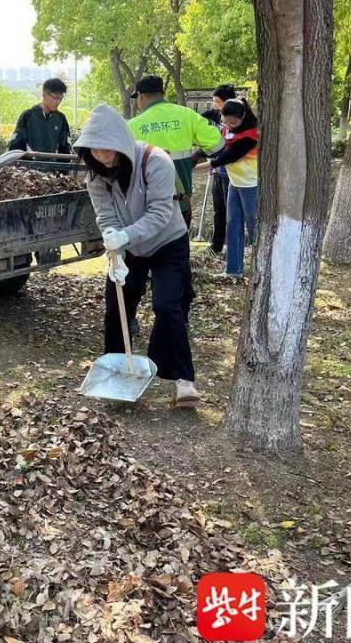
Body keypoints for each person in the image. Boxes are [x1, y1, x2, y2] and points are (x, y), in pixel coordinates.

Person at [75, 104, 200, 408]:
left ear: (120, 140)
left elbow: (160, 213)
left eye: (107, 148)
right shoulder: (95, 176)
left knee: (168, 306)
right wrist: (113, 246)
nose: (102, 156)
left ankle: (184, 380)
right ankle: (116, 375)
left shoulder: (156, 161)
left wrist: (125, 235)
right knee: (116, 307)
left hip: (168, 242)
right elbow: (106, 217)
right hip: (129, 248)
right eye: (95, 150)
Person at [127, 75, 225, 228]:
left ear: (140, 96)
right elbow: (218, 144)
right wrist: (197, 155)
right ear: (163, 94)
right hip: (180, 202)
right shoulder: (187, 115)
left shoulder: (132, 125)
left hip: (145, 205)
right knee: (178, 246)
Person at [209, 98, 259, 278]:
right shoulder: (226, 129)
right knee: (232, 225)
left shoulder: (251, 134)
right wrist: (197, 155)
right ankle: (233, 270)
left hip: (251, 185)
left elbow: (228, 156)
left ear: (243, 116)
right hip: (234, 182)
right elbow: (217, 148)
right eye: (225, 121)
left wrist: (201, 166)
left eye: (233, 122)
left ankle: (261, 267)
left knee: (255, 228)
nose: (229, 125)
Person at [203, 83, 238, 256]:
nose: (215, 105)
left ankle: (233, 249)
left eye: (217, 101)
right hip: (217, 170)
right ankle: (216, 246)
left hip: (231, 173)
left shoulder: (237, 119)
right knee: (219, 211)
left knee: (231, 212)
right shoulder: (215, 115)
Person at [8, 78, 72, 155]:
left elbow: (65, 147)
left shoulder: (61, 119)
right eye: (55, 98)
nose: (58, 102)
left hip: (54, 166)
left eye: (61, 99)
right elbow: (16, 145)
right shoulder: (28, 116)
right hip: (30, 166)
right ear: (44, 94)